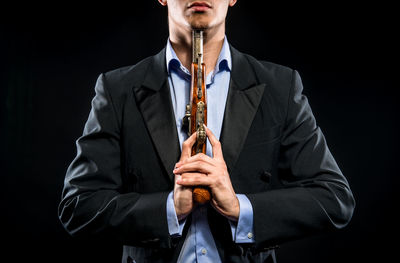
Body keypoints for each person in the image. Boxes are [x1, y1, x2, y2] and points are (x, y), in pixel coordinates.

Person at [58, 0, 355, 262]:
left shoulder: (280, 86)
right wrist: (169, 210)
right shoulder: (117, 90)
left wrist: (240, 208)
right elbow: (77, 206)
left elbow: (335, 199)